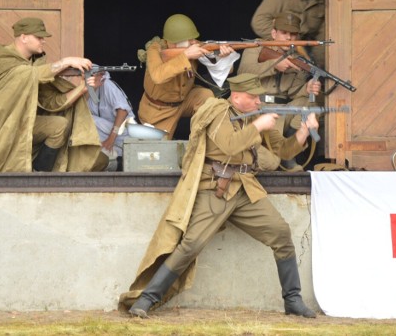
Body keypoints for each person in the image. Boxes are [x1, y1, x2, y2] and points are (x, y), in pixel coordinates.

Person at [118, 73, 318, 319]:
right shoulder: (219, 112)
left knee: (281, 233)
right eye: (252, 97)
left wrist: (304, 133)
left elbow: (282, 150)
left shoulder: (256, 117)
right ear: (236, 97)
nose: (258, 101)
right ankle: (145, 299)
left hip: (245, 188)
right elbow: (230, 145)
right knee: (190, 245)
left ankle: (293, 300)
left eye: (258, 97)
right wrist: (259, 125)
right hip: (216, 187)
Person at [0, 17, 104, 173]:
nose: (43, 41)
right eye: (39, 37)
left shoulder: (33, 64)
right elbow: (31, 75)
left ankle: (39, 174)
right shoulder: (3, 59)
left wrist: (83, 88)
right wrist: (66, 62)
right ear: (24, 37)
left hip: (20, 122)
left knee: (59, 125)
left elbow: (52, 102)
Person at [238, 11, 321, 171]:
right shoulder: (256, 47)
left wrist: (307, 88)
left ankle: (290, 156)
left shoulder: (299, 57)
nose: (288, 38)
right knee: (270, 161)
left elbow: (294, 93)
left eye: (293, 34)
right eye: (284, 33)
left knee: (308, 104)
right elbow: (243, 73)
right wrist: (273, 65)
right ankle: (276, 157)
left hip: (283, 109)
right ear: (274, 33)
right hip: (257, 107)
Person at [137, 14, 236, 139]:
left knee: (206, 96)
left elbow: (228, 71)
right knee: (157, 152)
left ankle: (202, 139)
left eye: (193, 39)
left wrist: (223, 58)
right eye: (187, 41)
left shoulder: (195, 46)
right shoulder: (155, 50)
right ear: (172, 43)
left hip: (185, 100)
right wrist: (186, 55)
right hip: (159, 110)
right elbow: (158, 76)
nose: (193, 42)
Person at [87, 70, 135, 170]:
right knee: (81, 119)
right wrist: (91, 89)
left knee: (88, 120)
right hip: (107, 133)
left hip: (124, 132)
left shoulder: (108, 85)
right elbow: (80, 110)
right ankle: (118, 162)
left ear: (101, 75)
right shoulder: (87, 90)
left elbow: (123, 111)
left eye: (92, 75)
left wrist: (110, 139)